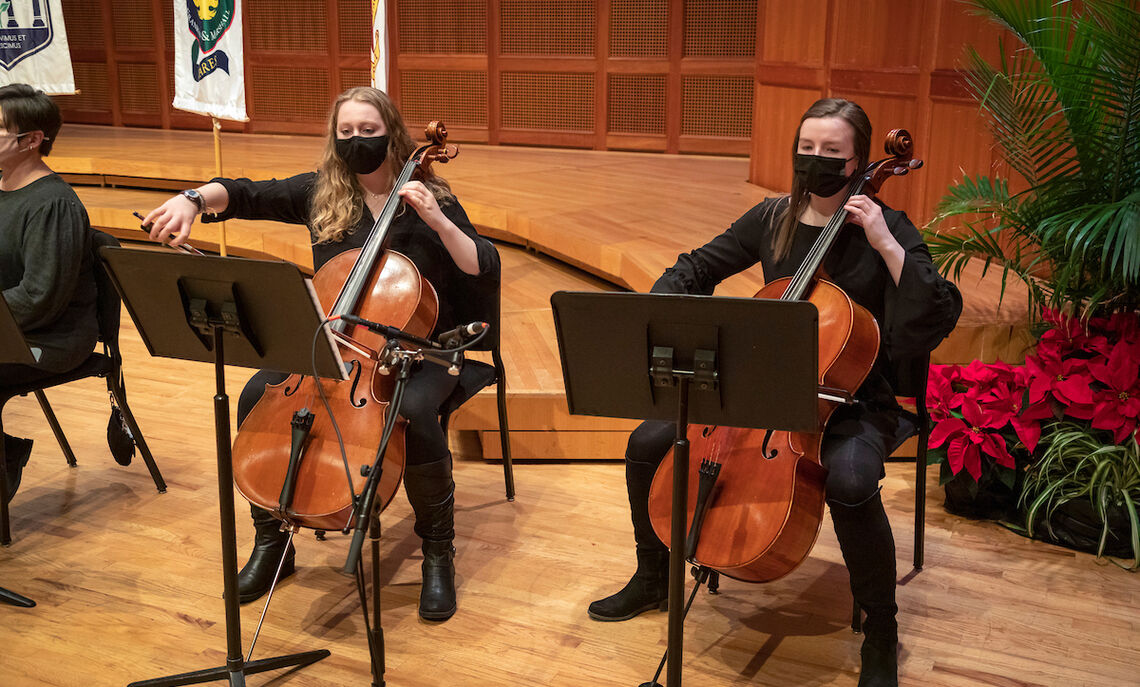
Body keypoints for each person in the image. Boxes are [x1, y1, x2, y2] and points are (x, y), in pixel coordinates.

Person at [586, 98, 962, 687]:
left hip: (853, 402)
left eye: (832, 153)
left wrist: (887, 242)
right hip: (761, 395)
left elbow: (926, 322)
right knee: (647, 442)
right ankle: (652, 574)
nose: (815, 162)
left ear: (859, 161)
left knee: (853, 481)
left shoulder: (889, 232)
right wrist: (655, 308)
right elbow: (697, 266)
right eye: (806, 149)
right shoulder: (773, 218)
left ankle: (882, 630)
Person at [143, 86, 500, 621]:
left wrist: (438, 222)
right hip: (336, 345)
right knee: (256, 393)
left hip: (422, 347)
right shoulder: (322, 192)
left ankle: (436, 553)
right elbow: (243, 193)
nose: (357, 141)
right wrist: (191, 200)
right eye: (347, 132)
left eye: (369, 131)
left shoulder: (432, 195)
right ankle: (272, 543)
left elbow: (480, 266)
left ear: (392, 135)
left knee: (413, 414)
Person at [0, 84, 98, 505]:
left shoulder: (53, 204)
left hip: (49, 338)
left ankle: (4, 456)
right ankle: (6, 450)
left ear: (32, 140)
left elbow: (40, 297)